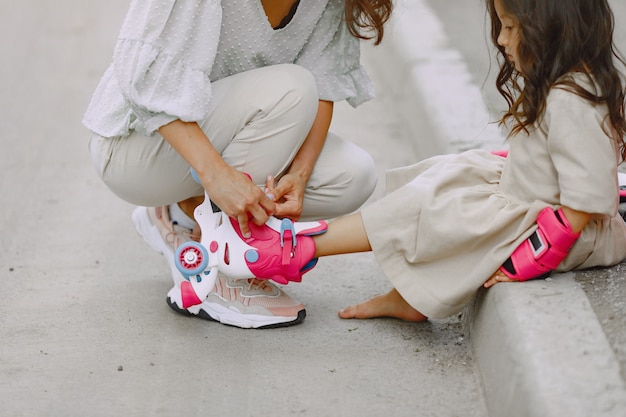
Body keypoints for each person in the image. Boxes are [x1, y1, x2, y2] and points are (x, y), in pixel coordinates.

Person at [222, 0, 626, 322]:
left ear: (551, 28)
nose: (501, 39)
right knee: (441, 182)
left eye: (510, 27)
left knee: (437, 209)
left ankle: (290, 250)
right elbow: (561, 162)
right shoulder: (567, 86)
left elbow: (580, 206)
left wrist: (530, 260)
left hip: (566, 234)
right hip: (528, 202)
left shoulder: (574, 99)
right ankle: (328, 259)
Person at [83, 0, 393, 329]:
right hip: (137, 143)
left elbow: (324, 82)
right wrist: (215, 175)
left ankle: (179, 218)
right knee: (292, 87)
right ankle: (219, 270)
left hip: (230, 132)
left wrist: (300, 176)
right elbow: (143, 78)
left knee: (353, 175)